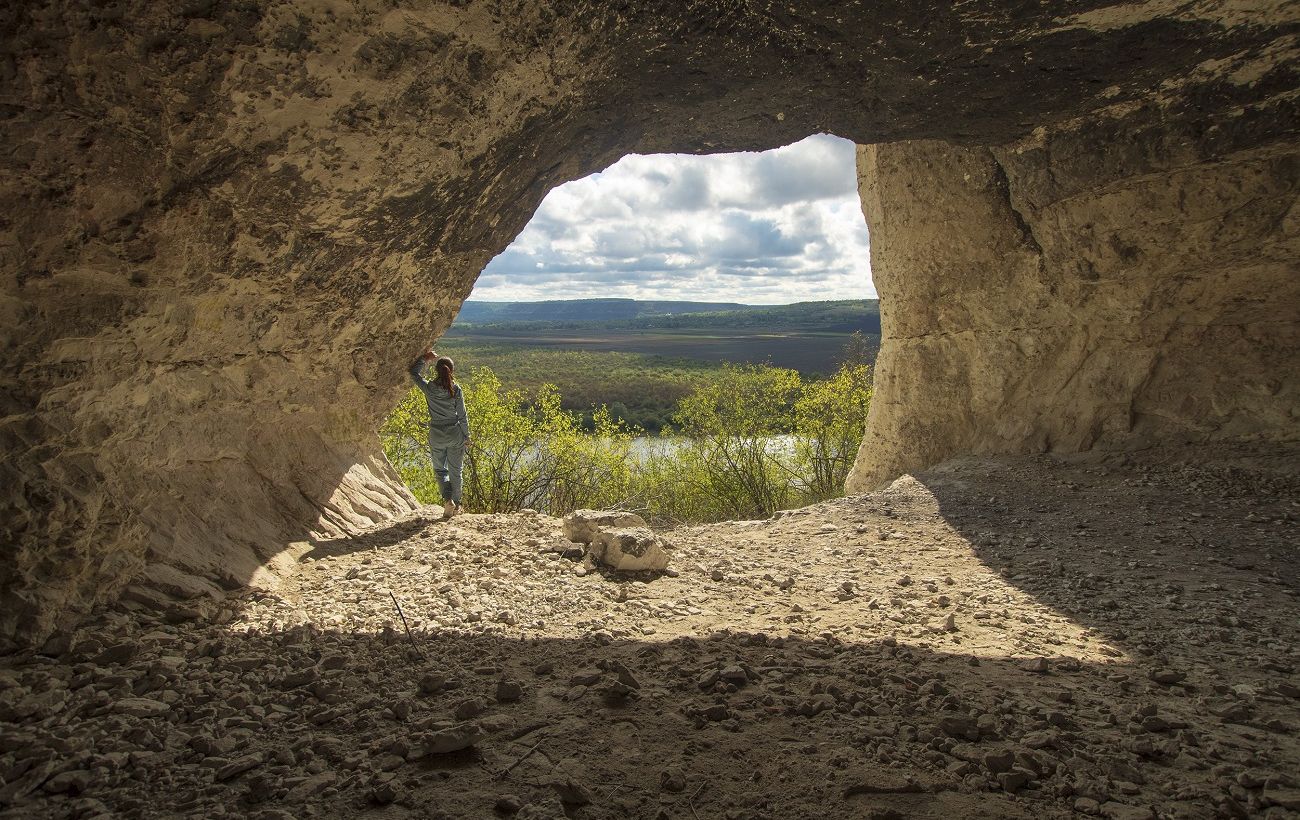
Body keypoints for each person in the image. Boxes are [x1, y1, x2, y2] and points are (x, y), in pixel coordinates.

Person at [408, 348, 471, 519]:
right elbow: (462, 415)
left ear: (437, 371)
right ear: (452, 371)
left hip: (436, 433)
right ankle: (456, 505)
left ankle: (448, 500)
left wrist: (425, 358)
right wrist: (467, 436)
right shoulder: (456, 389)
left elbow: (414, 374)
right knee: (456, 471)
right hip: (455, 433)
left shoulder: (429, 388)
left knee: (440, 470)